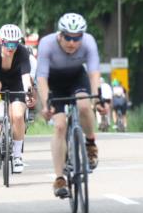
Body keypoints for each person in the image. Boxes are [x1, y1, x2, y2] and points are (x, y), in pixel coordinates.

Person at [36, 13, 108, 198]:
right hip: (54, 83)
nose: (72, 43)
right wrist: (46, 105)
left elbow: (93, 73)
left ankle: (90, 143)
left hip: (77, 78)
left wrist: (98, 100)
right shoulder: (47, 43)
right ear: (60, 34)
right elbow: (42, 77)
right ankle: (59, 179)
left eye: (77, 38)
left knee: (84, 106)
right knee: (60, 126)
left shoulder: (89, 42)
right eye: (67, 37)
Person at [0, 24, 36, 173]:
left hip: (16, 83)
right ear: (1, 41)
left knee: (18, 116)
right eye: (7, 43)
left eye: (15, 43)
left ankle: (17, 156)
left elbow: (25, 78)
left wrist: (29, 93)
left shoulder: (23, 52)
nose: (11, 47)